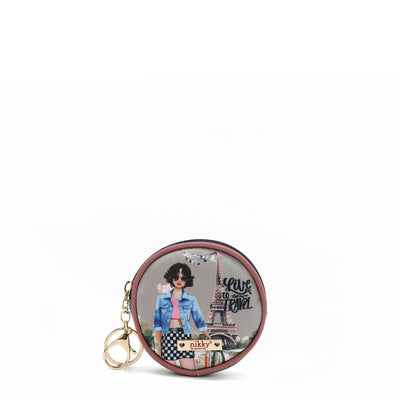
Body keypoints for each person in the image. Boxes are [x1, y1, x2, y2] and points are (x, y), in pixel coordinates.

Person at [153, 263, 210, 369]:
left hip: (185, 336)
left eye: (183, 278)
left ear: (187, 280)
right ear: (170, 277)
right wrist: (160, 347)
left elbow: (198, 319)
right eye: (176, 277)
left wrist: (207, 335)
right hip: (168, 336)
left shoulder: (191, 299)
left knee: (190, 368)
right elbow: (157, 323)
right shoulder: (161, 299)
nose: (179, 281)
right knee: (170, 371)